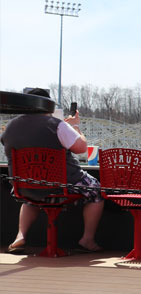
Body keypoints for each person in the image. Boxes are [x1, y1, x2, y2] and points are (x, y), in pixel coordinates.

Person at [2, 87, 104, 254]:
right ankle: (87, 239)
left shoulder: (11, 127)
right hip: (61, 186)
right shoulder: (57, 126)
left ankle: (20, 235)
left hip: (25, 186)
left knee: (31, 198)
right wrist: (75, 127)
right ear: (47, 105)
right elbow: (81, 148)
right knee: (96, 189)